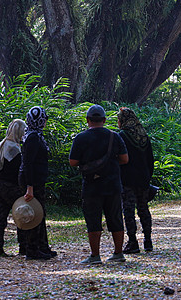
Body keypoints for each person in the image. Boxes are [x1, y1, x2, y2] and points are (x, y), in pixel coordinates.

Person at [69, 104, 129, 265]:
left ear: (88, 120)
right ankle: (118, 253)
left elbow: (73, 162)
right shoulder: (114, 136)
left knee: (93, 220)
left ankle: (95, 255)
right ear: (104, 120)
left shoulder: (80, 138)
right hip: (113, 185)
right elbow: (125, 159)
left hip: (91, 186)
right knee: (116, 218)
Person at [19, 106, 57, 260]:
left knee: (40, 214)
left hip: (36, 181)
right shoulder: (33, 137)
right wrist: (30, 187)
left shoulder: (35, 135)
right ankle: (32, 249)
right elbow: (28, 163)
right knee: (34, 215)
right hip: (32, 182)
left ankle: (42, 246)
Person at [117, 107, 155, 254]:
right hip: (143, 179)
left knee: (128, 210)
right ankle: (148, 240)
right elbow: (150, 160)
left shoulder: (122, 136)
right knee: (144, 209)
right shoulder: (144, 136)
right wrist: (147, 176)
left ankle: (132, 241)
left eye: (119, 120)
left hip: (128, 179)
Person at [0, 118, 27, 257]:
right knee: (21, 214)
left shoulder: (3, 144)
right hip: (9, 186)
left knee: (1, 217)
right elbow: (17, 170)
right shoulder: (13, 148)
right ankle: (23, 247)